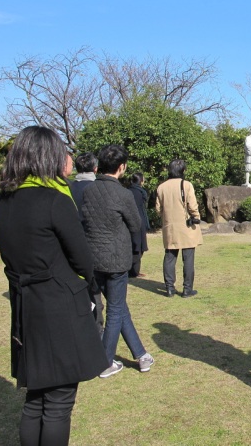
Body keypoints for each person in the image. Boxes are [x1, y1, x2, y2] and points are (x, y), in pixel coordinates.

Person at [0, 126, 109, 445]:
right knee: (58, 402)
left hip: (25, 306)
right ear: (49, 156)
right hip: (58, 305)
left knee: (36, 398)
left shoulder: (3, 202)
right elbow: (82, 258)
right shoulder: (53, 199)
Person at [81, 145, 154, 378]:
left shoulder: (89, 190)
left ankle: (141, 355)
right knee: (115, 310)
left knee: (119, 307)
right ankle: (106, 361)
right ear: (121, 167)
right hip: (115, 260)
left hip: (94, 258)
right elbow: (136, 225)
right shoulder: (122, 194)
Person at [155, 159, 203, 298]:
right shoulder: (186, 185)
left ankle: (169, 288)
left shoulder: (161, 187)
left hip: (169, 226)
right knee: (188, 258)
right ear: (183, 171)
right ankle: (187, 289)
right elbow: (192, 206)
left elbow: (158, 209)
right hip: (186, 226)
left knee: (169, 257)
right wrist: (196, 216)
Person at [70, 152, 104, 335]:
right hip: (95, 246)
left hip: (72, 247)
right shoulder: (97, 188)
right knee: (96, 291)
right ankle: (97, 329)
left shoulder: (67, 188)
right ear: (95, 168)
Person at [128, 172, 150, 278]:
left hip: (129, 221)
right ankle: (133, 271)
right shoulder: (140, 192)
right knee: (138, 247)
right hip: (139, 221)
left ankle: (134, 271)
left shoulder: (127, 191)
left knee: (133, 246)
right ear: (141, 180)